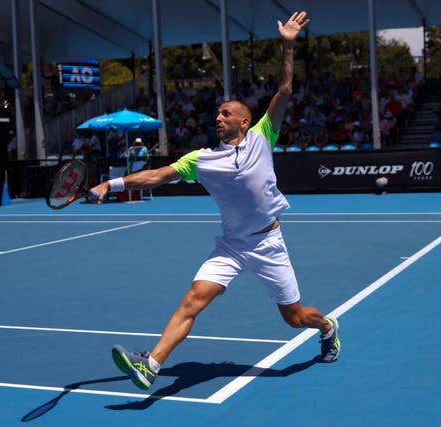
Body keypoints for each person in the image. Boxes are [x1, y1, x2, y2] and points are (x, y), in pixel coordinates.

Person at [90, 11, 340, 391]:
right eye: (217, 113)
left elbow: (285, 89)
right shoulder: (201, 159)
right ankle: (151, 364)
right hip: (232, 245)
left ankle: (326, 326)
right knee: (192, 299)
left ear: (245, 121)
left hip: (269, 243)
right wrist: (113, 182)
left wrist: (288, 46)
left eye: (226, 113)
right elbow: (156, 175)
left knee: (294, 317)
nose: (218, 117)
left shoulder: (261, 137)